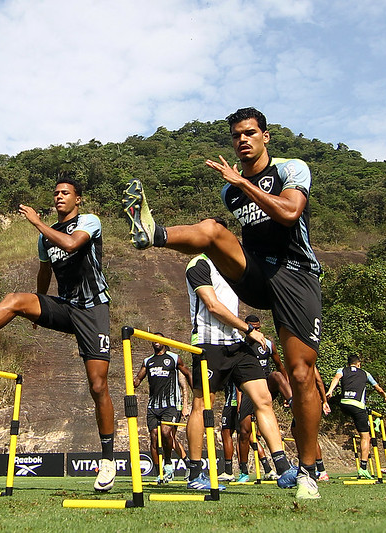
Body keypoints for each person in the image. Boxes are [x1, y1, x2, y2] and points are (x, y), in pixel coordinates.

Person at [123, 107, 324, 499]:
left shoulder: (290, 169)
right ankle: (153, 232)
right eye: (236, 135)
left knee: (300, 375)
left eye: (250, 133)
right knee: (214, 231)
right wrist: (237, 185)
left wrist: (244, 182)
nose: (242, 140)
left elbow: (289, 213)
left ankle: (307, 469)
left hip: (296, 275)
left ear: (266, 136)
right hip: (255, 275)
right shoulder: (228, 192)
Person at [0, 177, 118, 492]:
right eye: (55, 192)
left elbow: (70, 245)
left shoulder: (88, 222)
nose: (59, 196)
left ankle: (108, 460)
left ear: (78, 199)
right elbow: (44, 272)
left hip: (93, 309)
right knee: (16, 300)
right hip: (65, 306)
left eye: (65, 193)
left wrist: (37, 222)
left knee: (98, 386)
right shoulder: (45, 239)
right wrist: (38, 308)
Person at [182, 250, 295, 491]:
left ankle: (283, 467)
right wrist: (248, 329)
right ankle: (193, 474)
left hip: (236, 345)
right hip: (208, 344)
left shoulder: (233, 266)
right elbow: (213, 306)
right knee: (201, 406)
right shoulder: (198, 264)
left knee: (263, 399)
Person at [235, 315, 292, 482]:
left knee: (276, 375)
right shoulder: (241, 347)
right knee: (245, 431)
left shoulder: (268, 344)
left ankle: (291, 400)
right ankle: (244, 471)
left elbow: (280, 366)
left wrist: (285, 388)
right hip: (248, 387)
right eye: (253, 328)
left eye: (258, 328)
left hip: (266, 385)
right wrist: (239, 400)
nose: (256, 331)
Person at [133, 334, 192, 483]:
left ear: (165, 342)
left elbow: (186, 376)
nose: (156, 341)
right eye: (153, 339)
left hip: (170, 405)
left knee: (167, 433)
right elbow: (138, 379)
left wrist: (192, 399)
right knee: (154, 438)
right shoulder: (148, 361)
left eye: (159, 339)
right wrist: (133, 382)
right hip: (153, 406)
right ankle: (160, 472)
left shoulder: (173, 358)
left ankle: (169, 465)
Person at [325, 354, 386, 479]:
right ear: (358, 364)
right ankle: (363, 468)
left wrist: (330, 390)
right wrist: (385, 395)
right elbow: (377, 388)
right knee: (366, 437)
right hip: (358, 406)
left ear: (349, 364)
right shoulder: (365, 373)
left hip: (344, 404)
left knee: (362, 417)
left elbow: (336, 378)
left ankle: (371, 424)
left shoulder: (342, 370)